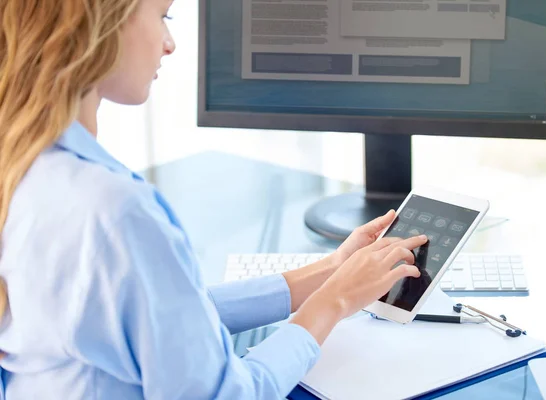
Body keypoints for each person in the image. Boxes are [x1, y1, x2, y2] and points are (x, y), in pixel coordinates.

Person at [0, 0, 427, 398]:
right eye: (163, 16)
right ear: (98, 23)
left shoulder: (30, 168)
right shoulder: (114, 211)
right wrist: (334, 302)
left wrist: (331, 271)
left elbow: (167, 319)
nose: (170, 44)